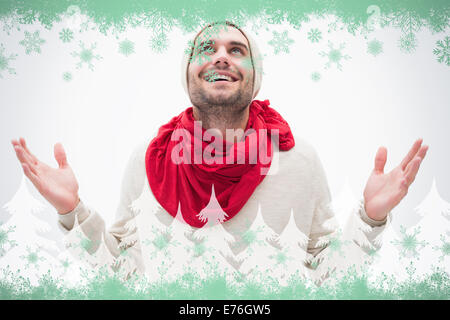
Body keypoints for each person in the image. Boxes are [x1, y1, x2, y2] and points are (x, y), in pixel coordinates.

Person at [11, 21, 428, 284]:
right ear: (189, 73)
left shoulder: (299, 159)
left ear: (254, 78)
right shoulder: (149, 160)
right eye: (207, 48)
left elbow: (328, 279)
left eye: (236, 50)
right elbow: (121, 276)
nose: (222, 57)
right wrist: (72, 211)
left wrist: (372, 218)